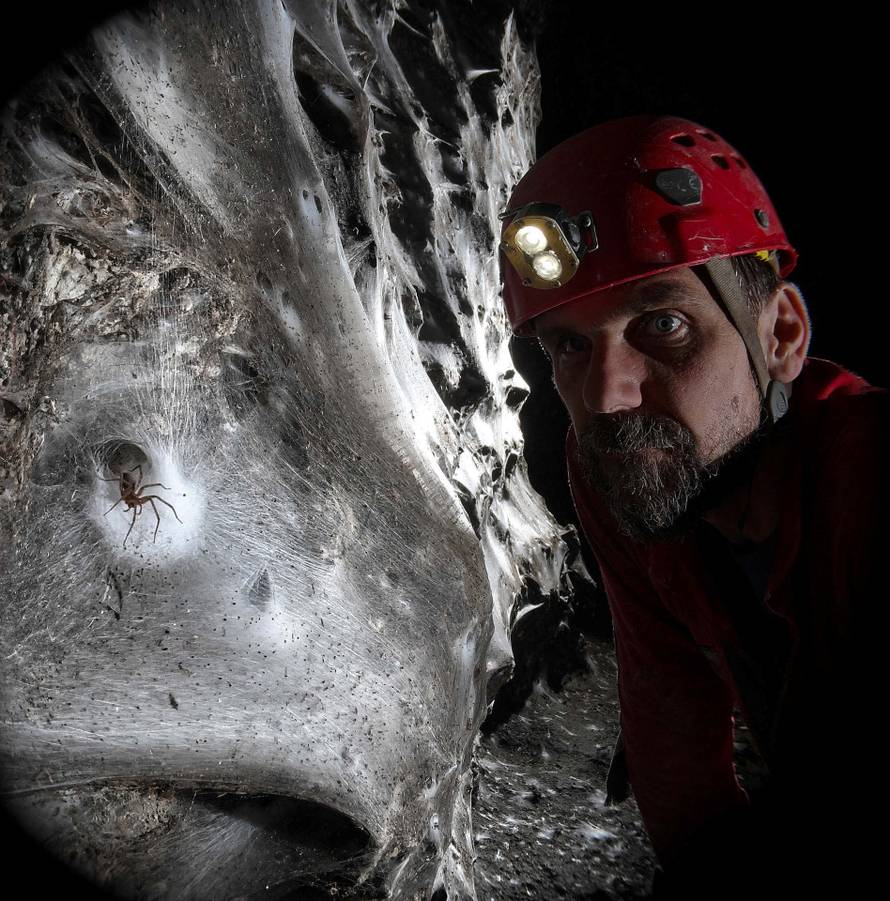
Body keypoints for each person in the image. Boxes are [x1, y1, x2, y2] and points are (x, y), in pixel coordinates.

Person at [499, 115, 887, 897]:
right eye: (570, 346)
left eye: (664, 324)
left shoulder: (869, 474)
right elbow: (668, 714)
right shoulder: (624, 471)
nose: (607, 397)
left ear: (779, 333)